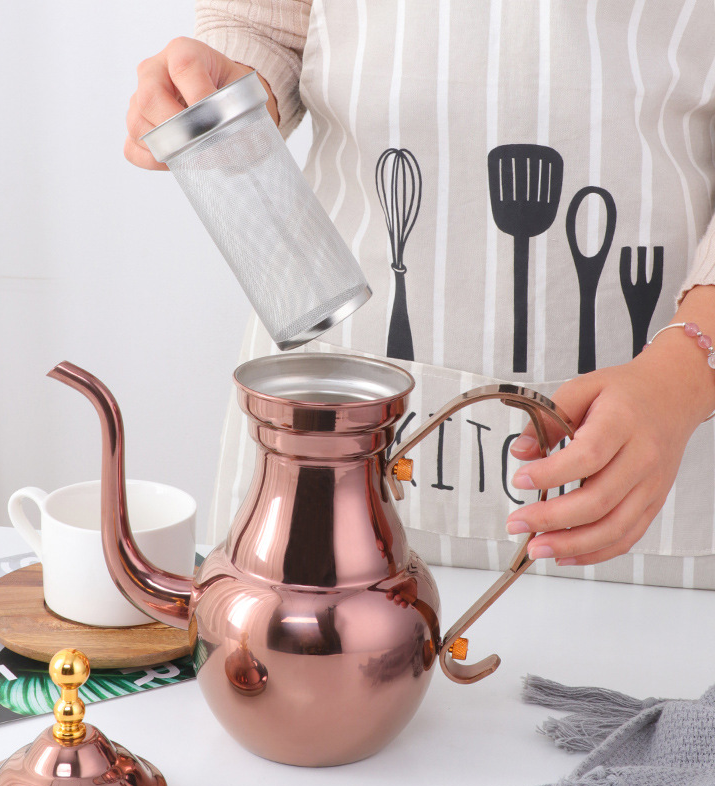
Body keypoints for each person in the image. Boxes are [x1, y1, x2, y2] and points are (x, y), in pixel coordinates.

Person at [125, 2, 715, 589]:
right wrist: (222, 94)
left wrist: (679, 377)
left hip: (659, 435)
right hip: (331, 400)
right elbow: (268, 23)